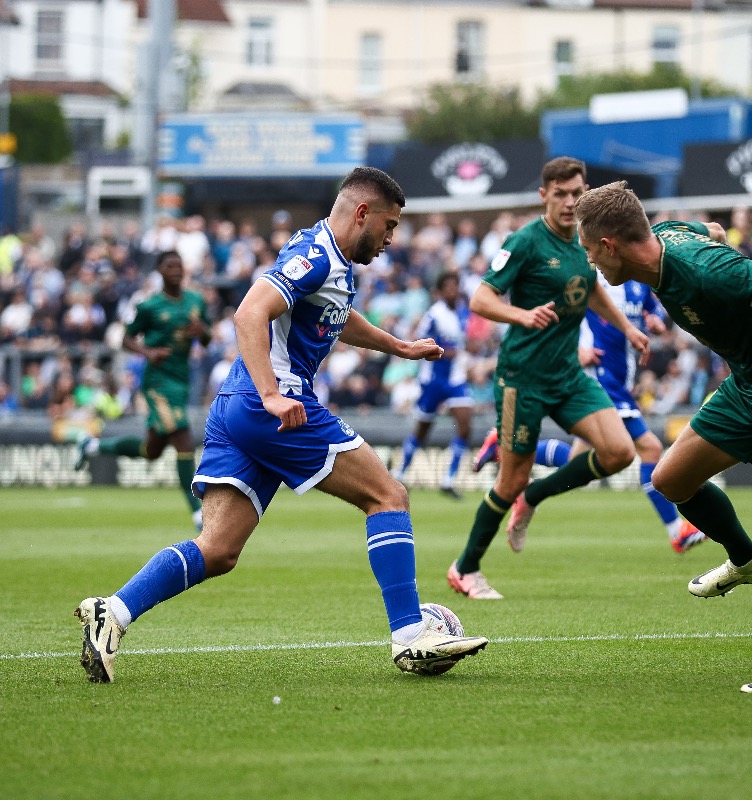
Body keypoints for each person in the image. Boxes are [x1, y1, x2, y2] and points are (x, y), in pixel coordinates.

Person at [74, 167, 488, 683]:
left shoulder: (324, 253)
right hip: (273, 406)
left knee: (219, 549)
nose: (390, 239)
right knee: (388, 496)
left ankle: (111, 613)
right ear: (363, 213)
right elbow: (249, 313)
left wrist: (399, 346)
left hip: (240, 404)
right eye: (389, 225)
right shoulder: (316, 257)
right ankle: (411, 635)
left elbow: (336, 315)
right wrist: (272, 394)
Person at [574, 180, 752, 693]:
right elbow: (710, 229)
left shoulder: (709, 275)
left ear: (609, 245)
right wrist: (715, 234)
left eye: (589, 251)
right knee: (671, 478)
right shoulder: (669, 237)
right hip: (743, 386)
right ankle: (747, 560)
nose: (590, 265)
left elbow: (724, 262)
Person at [447, 157, 649, 601]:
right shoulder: (524, 243)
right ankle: (465, 568)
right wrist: (521, 314)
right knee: (509, 480)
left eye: (576, 192)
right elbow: (481, 298)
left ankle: (536, 494)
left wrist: (626, 327)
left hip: (568, 375)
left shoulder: (585, 239)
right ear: (544, 195)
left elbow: (592, 288)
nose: (569, 202)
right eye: (560, 194)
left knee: (619, 452)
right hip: (523, 379)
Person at [473, 271, 706, 554]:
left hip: (620, 380)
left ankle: (503, 446)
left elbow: (648, 305)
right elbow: (556, 312)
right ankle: (676, 531)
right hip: (599, 379)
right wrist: (576, 349)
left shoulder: (635, 277)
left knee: (576, 461)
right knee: (650, 448)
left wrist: (652, 317)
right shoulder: (592, 277)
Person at [75, 250, 211, 532]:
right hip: (157, 381)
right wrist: (147, 352)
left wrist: (203, 332)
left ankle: (92, 445)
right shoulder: (150, 306)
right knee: (183, 437)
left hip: (181, 379)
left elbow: (207, 338)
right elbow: (124, 337)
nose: (175, 270)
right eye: (169, 266)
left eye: (179, 265)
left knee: (151, 450)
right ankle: (197, 511)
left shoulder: (196, 301)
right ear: (160, 271)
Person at [392, 272, 474, 499]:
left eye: (455, 286)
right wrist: (445, 351)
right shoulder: (433, 315)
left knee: (466, 426)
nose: (452, 291)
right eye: (448, 287)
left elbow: (464, 343)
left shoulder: (463, 313)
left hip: (455, 379)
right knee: (422, 431)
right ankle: (399, 472)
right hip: (433, 380)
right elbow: (419, 341)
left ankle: (449, 480)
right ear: (440, 291)